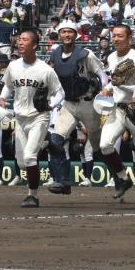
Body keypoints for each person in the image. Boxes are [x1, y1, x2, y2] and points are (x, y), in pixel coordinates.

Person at [0, 30, 65, 208]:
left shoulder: (45, 70)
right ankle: (44, 143)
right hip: (20, 119)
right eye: (19, 39)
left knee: (29, 157)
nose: (20, 42)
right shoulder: (13, 66)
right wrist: (3, 98)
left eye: (25, 40)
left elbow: (60, 92)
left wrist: (51, 105)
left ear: (34, 45)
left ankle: (32, 196)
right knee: (22, 164)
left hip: (39, 117)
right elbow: (7, 86)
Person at [47, 21, 108, 194]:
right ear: (59, 35)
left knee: (99, 148)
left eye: (70, 32)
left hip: (88, 103)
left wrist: (104, 90)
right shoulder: (56, 54)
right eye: (63, 32)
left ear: (76, 35)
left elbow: (102, 76)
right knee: (56, 140)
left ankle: (119, 177)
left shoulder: (86, 54)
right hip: (69, 103)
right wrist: (51, 104)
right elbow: (58, 85)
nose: (67, 35)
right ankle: (63, 181)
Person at [98, 24, 135, 199]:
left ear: (129, 38)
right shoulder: (111, 57)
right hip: (118, 109)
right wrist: (108, 87)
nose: (116, 39)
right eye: (114, 36)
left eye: (120, 36)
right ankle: (123, 178)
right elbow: (115, 81)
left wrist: (120, 85)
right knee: (105, 145)